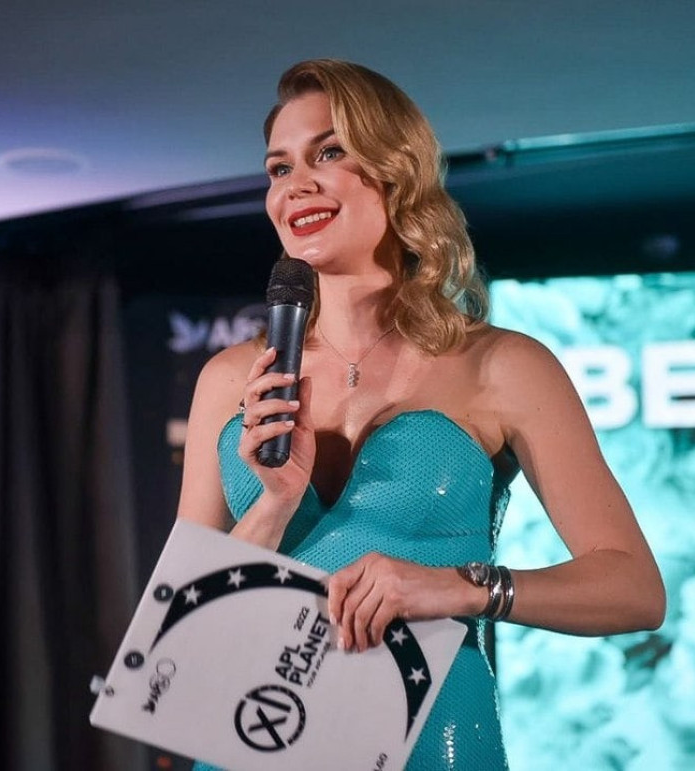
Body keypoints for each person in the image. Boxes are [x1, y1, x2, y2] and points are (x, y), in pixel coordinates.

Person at [177, 59, 665, 770]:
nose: (294, 185)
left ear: (396, 171)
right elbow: (182, 633)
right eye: (279, 168)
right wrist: (272, 507)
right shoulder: (231, 380)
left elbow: (632, 589)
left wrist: (458, 587)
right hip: (256, 743)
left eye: (328, 153)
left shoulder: (503, 365)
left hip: (432, 742)